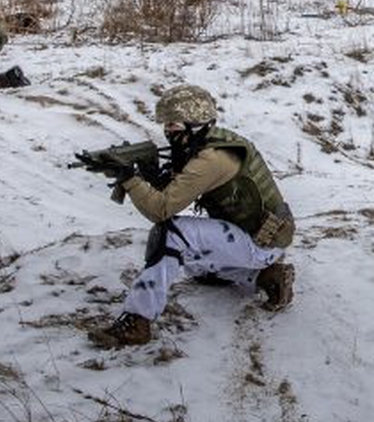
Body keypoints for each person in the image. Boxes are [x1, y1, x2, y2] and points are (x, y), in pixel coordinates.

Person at [91, 84, 296, 348]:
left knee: (169, 235)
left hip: (259, 242)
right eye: (166, 126)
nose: (168, 132)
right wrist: (150, 175)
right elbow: (174, 189)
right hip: (258, 237)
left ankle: (137, 322)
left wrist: (130, 178)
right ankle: (266, 276)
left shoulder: (212, 159)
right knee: (194, 266)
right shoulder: (211, 142)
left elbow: (160, 210)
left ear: (194, 123)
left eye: (173, 126)